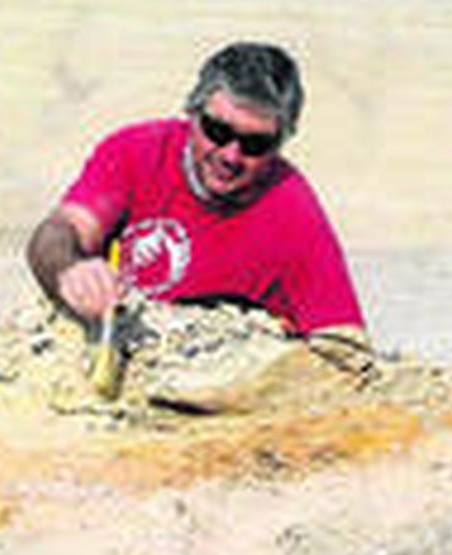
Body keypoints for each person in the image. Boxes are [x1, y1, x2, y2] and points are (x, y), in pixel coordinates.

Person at [25, 42, 367, 350]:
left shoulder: (293, 209)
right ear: (192, 113)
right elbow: (59, 230)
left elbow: (343, 345)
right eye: (218, 131)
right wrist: (69, 270)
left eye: (255, 144)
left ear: (280, 144)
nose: (231, 156)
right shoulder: (136, 153)